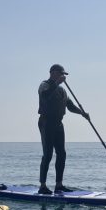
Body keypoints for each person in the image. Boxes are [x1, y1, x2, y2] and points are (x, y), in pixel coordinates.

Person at [38, 64, 89, 194]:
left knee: (62, 154)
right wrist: (56, 83)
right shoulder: (45, 85)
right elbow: (45, 96)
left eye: (64, 75)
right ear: (53, 73)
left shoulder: (62, 90)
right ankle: (42, 186)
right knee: (48, 154)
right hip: (46, 122)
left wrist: (82, 113)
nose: (63, 77)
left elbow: (70, 106)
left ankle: (59, 185)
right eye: (61, 74)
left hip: (58, 123)